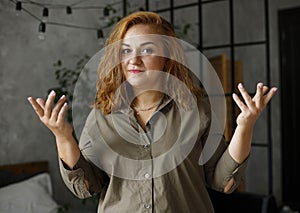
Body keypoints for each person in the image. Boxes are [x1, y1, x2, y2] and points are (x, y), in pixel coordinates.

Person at [27, 11, 277, 213]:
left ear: (167, 58)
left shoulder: (197, 110)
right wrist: (62, 137)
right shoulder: (102, 116)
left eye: (146, 50)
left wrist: (245, 126)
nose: (133, 60)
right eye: (126, 51)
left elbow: (223, 182)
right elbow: (87, 187)